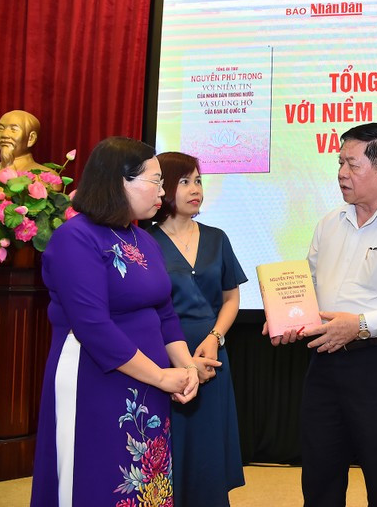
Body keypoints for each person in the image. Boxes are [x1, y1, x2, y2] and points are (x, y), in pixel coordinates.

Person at [264, 122, 377, 507]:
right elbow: (310, 285)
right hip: (324, 361)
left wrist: (361, 326)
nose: (341, 174)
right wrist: (288, 317)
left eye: (352, 164)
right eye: (340, 163)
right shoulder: (330, 223)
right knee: (320, 474)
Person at [30, 137, 217, 507]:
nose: (162, 193)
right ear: (119, 181)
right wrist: (163, 376)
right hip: (96, 377)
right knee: (96, 478)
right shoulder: (75, 238)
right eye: (155, 181)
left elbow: (164, 312)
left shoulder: (141, 239)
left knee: (146, 482)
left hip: (149, 380)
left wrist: (185, 367)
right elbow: (93, 327)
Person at [148, 152, 247, 507]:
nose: (196, 189)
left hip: (212, 354)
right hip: (164, 357)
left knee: (207, 449)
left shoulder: (217, 238)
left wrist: (215, 337)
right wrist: (182, 358)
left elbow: (231, 297)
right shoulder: (145, 241)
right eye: (185, 181)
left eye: (199, 181)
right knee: (168, 449)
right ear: (164, 188)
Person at [0, 110, 56, 175]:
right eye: (1, 129)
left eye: (13, 130)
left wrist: (9, 167)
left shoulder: (45, 176)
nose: (4, 135)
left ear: (31, 138)